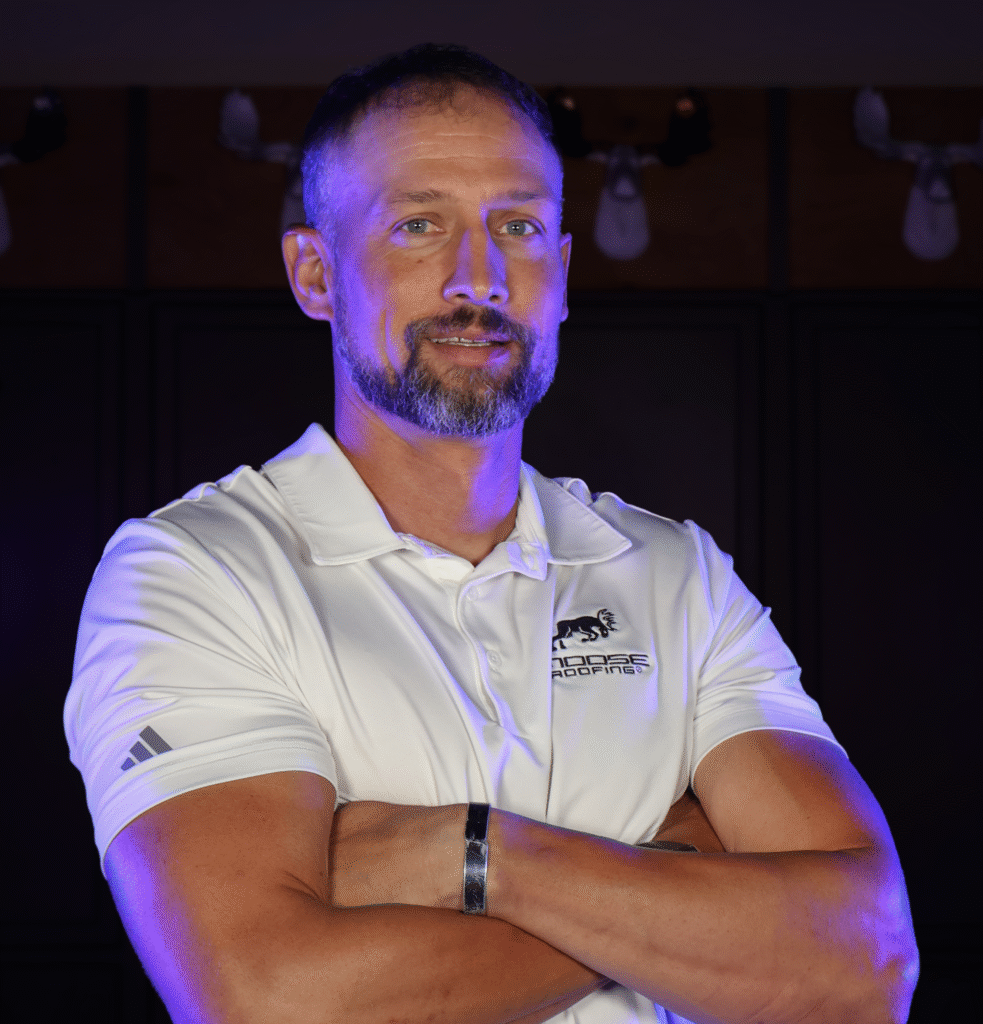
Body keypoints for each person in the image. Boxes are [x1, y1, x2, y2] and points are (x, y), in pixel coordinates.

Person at [65, 44, 917, 1024]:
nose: (478, 279)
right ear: (315, 273)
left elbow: (863, 964)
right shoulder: (193, 575)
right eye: (418, 225)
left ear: (560, 272)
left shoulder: (676, 574)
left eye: (517, 227)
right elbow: (269, 1002)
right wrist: (669, 876)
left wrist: (476, 853)